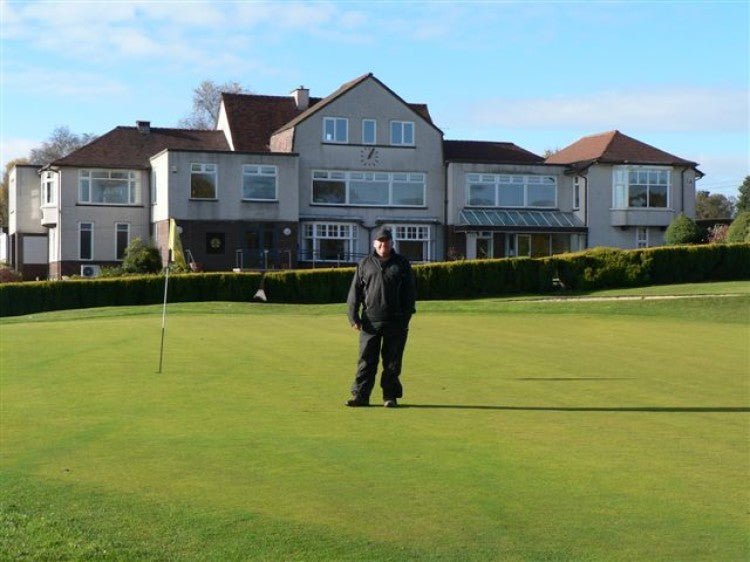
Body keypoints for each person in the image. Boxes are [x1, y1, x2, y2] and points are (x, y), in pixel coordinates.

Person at [346, 227, 416, 408]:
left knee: (392, 362)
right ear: (374, 243)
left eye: (386, 241)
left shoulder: (401, 264)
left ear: (392, 243)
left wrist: (406, 319)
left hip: (396, 321)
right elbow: (355, 292)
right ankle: (361, 396)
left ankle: (389, 397)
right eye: (380, 241)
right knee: (366, 361)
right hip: (370, 321)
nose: (383, 244)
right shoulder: (364, 263)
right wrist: (353, 316)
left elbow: (409, 294)